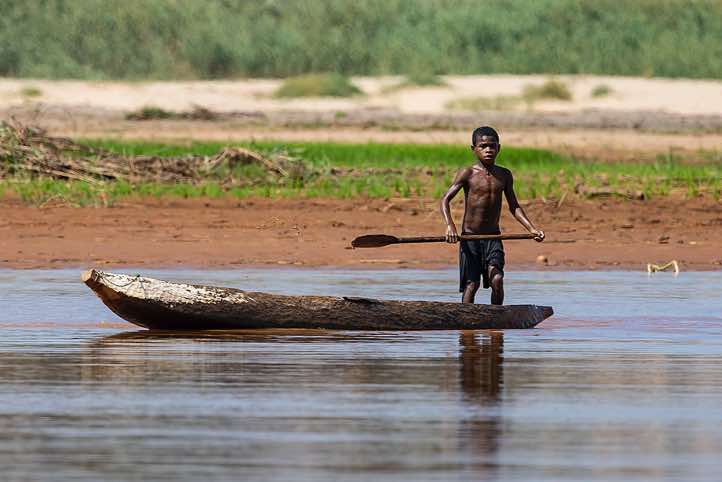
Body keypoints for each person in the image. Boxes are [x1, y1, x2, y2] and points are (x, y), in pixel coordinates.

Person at [440, 126, 544, 305]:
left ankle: (496, 322)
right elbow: (445, 200)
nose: (488, 150)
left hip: (493, 237)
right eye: (483, 146)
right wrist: (450, 225)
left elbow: (514, 206)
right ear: (474, 149)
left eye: (492, 146)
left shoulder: (504, 175)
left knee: (497, 280)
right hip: (470, 238)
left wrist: (532, 229)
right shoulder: (468, 173)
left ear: (499, 148)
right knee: (471, 285)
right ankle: (466, 325)